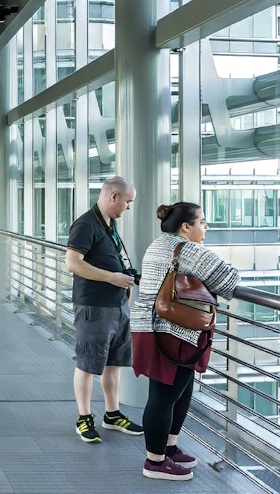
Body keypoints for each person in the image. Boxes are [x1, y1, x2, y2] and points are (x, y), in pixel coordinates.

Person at [132, 202, 238, 481]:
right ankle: (155, 461)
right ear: (186, 227)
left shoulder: (159, 244)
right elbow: (228, 282)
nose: (206, 227)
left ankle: (168, 448)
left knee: (179, 391)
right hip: (172, 331)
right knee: (164, 396)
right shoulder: (188, 249)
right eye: (202, 222)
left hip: (154, 327)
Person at [66, 175, 144, 443]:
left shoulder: (108, 223)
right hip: (94, 306)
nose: (128, 207)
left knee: (114, 364)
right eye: (128, 202)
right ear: (114, 197)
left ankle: (112, 414)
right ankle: (84, 418)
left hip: (117, 305)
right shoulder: (86, 224)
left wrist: (122, 278)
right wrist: (112, 277)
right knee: (87, 364)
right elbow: (73, 263)